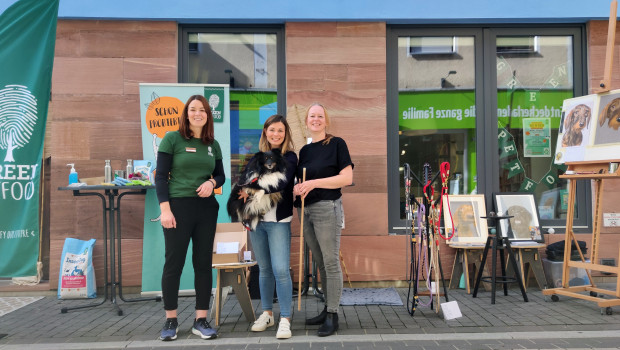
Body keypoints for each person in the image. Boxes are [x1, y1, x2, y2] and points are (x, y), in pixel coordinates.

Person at [155, 95, 224, 341]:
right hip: (177, 208)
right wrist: (165, 210)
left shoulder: (212, 144)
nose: (198, 114)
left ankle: (200, 320)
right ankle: (171, 321)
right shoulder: (172, 139)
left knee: (203, 264)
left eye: (202, 110)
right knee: (174, 264)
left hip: (206, 209)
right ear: (186, 114)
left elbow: (221, 175)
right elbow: (160, 177)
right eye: (193, 110)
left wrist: (212, 182)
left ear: (207, 115)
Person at [293, 103, 354, 337]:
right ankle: (327, 308)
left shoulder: (337, 144)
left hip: (327, 208)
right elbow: (302, 181)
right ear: (307, 121)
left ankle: (332, 315)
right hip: (305, 210)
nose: (316, 119)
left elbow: (346, 178)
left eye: (320, 116)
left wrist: (313, 183)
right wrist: (298, 189)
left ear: (326, 121)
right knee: (320, 262)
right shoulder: (305, 151)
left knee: (330, 262)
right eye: (312, 116)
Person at [241, 115, 297, 339]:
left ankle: (285, 318)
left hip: (278, 221)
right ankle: (267, 313)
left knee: (281, 270)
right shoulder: (255, 157)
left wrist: (255, 186)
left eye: (280, 131)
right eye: (272, 130)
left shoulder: (290, 157)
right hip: (257, 221)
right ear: (265, 132)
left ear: (286, 134)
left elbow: (282, 182)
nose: (276, 134)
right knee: (263, 270)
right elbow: (242, 182)